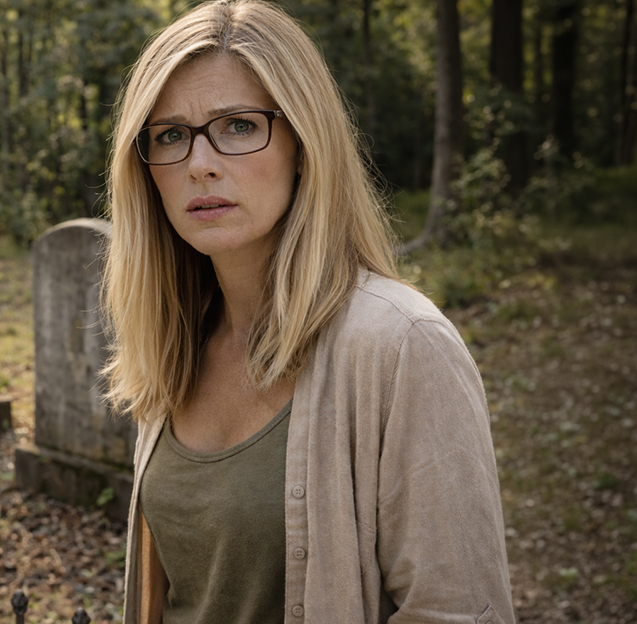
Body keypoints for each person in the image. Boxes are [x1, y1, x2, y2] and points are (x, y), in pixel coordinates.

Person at [100, 2, 515, 623]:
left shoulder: (404, 346)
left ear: (304, 143)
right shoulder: (173, 343)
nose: (199, 162)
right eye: (170, 135)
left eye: (238, 125)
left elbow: (458, 611)